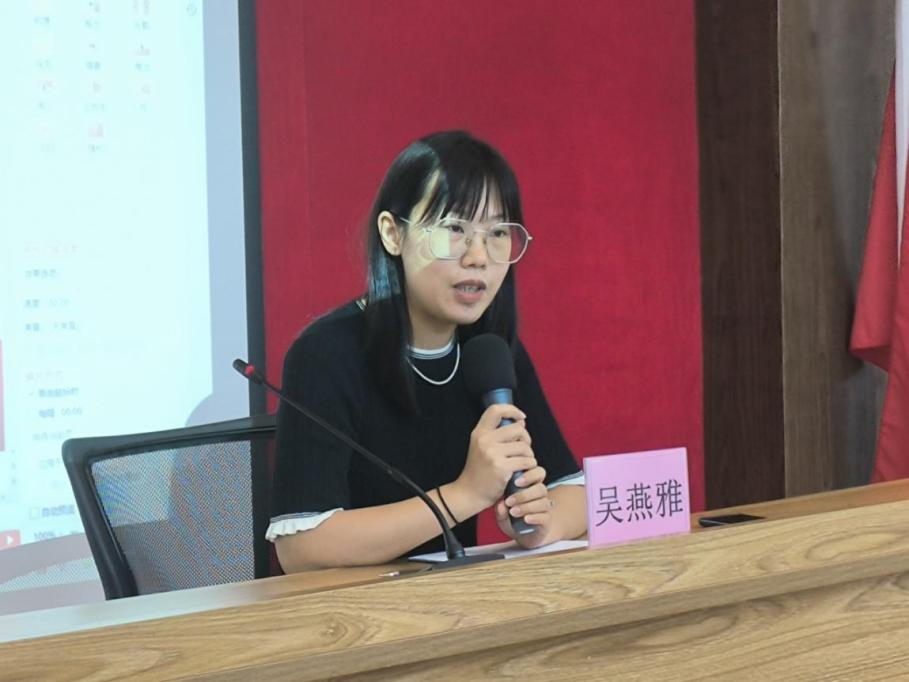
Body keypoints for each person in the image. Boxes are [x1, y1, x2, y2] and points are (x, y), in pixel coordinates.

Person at [267, 130, 587, 572]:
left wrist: (540, 523)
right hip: (351, 606)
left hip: (452, 601)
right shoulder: (326, 353)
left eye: (497, 232)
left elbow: (576, 493)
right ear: (392, 234)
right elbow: (303, 547)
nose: (478, 257)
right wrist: (464, 495)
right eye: (454, 229)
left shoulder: (489, 352)